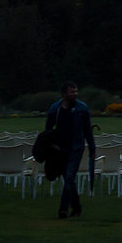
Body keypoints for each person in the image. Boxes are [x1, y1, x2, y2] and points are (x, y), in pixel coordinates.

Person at [45, 81, 95, 219]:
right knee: (68, 180)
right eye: (72, 92)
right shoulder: (55, 109)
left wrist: (92, 148)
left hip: (76, 148)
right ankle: (77, 208)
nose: (75, 94)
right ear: (64, 94)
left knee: (69, 177)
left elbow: (87, 130)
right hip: (59, 149)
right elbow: (48, 130)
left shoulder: (82, 109)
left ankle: (63, 209)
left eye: (76, 91)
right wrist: (50, 145)